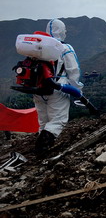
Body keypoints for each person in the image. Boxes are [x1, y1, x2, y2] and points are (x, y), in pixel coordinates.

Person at [33, 18, 83, 156]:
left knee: (44, 121)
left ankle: (41, 149)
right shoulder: (65, 47)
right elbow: (73, 70)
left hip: (38, 89)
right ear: (61, 31)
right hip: (58, 88)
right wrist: (77, 89)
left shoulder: (38, 46)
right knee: (58, 120)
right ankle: (41, 150)